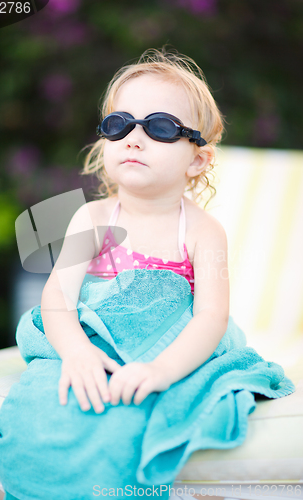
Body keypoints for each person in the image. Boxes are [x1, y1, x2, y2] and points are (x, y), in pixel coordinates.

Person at [41, 47, 228, 415]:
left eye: (160, 127)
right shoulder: (93, 219)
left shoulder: (203, 232)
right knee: (54, 398)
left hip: (173, 353)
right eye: (119, 123)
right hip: (96, 346)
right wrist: (78, 353)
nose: (133, 138)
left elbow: (212, 317)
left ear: (197, 160)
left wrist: (162, 370)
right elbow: (57, 299)